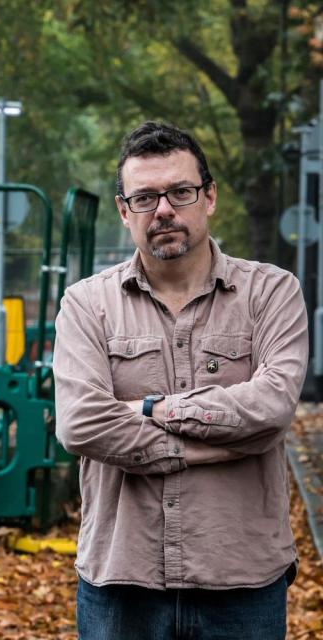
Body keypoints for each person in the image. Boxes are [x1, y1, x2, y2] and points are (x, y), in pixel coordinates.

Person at [54, 121, 308, 640]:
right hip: (121, 583)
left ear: (208, 197)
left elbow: (273, 408)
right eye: (145, 197)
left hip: (242, 579)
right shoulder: (86, 304)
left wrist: (147, 410)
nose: (164, 209)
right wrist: (214, 443)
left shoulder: (272, 293)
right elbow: (80, 424)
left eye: (180, 192)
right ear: (124, 211)